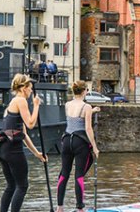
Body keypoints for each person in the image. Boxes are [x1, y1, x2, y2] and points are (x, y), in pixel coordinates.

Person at [0, 74, 46, 212]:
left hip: (4, 151)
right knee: (22, 186)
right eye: (29, 88)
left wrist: (37, 153)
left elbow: (23, 134)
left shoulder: (11, 104)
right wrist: (36, 106)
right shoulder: (20, 101)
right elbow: (30, 124)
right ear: (24, 88)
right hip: (13, 151)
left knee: (11, 186)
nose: (31, 92)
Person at [57, 81, 100, 212]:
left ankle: (59, 207)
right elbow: (87, 128)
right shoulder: (86, 106)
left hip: (66, 141)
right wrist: (95, 146)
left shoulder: (67, 104)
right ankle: (80, 208)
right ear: (84, 91)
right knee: (79, 175)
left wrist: (92, 111)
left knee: (64, 174)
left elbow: (75, 119)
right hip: (79, 142)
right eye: (87, 90)